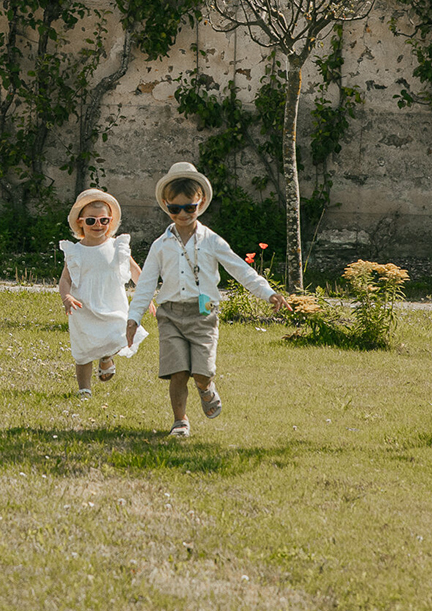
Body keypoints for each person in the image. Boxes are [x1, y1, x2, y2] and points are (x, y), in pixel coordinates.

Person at [126, 163, 287, 438]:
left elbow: (240, 269)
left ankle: (205, 387)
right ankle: (180, 421)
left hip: (204, 315)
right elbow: (146, 284)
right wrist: (133, 317)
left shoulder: (211, 241)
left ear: (200, 203)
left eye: (189, 207)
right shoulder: (160, 245)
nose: (183, 214)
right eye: (175, 209)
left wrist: (267, 291)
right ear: (166, 206)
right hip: (170, 315)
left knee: (201, 372)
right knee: (177, 371)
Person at [57, 187, 144, 397]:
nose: (98, 225)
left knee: (119, 334)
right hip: (83, 307)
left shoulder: (117, 246)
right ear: (80, 222)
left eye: (103, 220)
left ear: (110, 221)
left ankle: (106, 356)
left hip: (112, 303)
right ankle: (84, 389)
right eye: (91, 221)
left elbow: (134, 270)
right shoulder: (75, 251)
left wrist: (145, 292)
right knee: (83, 350)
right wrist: (66, 296)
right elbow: (65, 278)